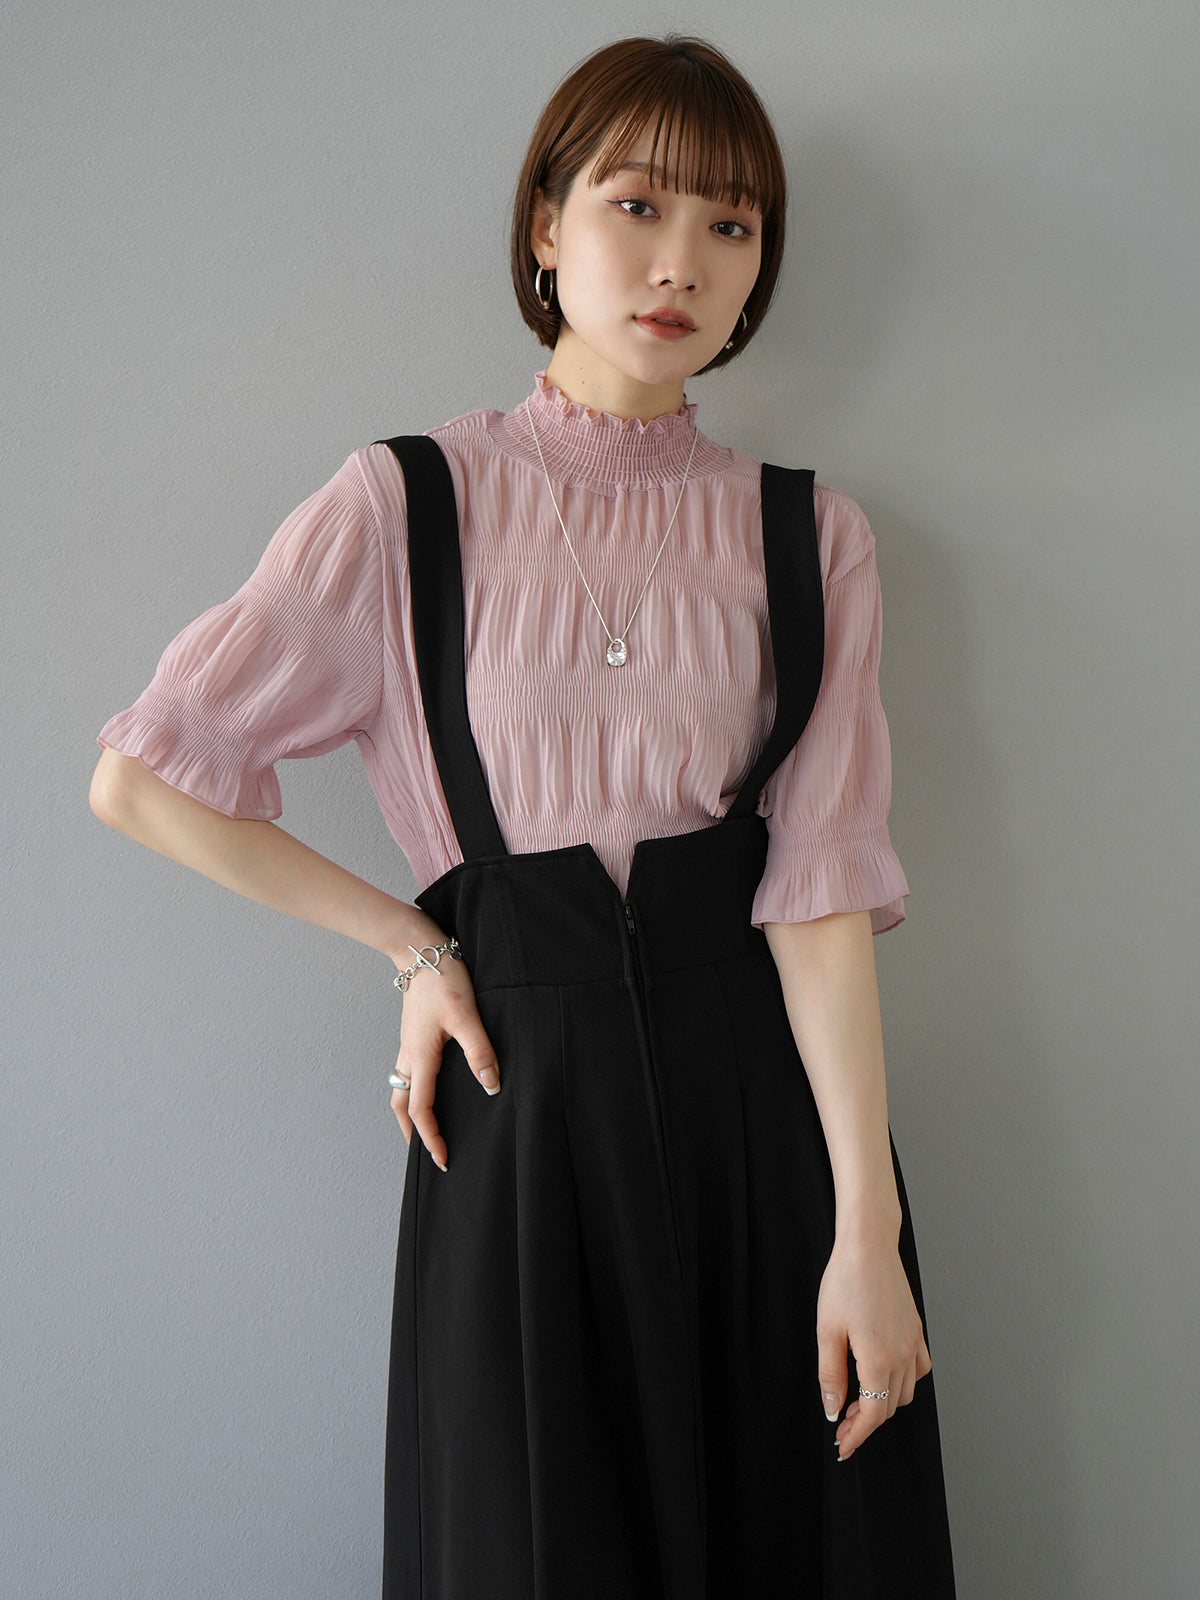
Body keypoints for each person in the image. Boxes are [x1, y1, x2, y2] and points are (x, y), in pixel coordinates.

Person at [89, 32, 957, 1600]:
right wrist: (414, 947)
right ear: (547, 226)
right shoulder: (404, 503)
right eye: (637, 204)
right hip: (522, 1113)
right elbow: (146, 779)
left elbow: (819, 899)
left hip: (764, 1123)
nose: (681, 260)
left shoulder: (809, 535)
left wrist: (868, 1235)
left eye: (731, 224)